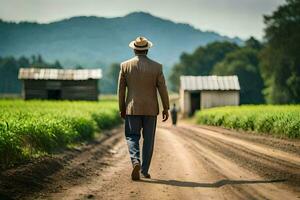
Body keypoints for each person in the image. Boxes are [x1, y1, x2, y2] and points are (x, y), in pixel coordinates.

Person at [118, 36, 170, 181]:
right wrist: (166, 108)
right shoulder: (157, 67)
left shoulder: (125, 66)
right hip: (151, 110)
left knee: (132, 136)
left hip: (132, 109)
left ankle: (136, 161)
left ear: (134, 49)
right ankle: (144, 171)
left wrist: (122, 107)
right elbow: (163, 89)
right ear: (147, 50)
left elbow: (121, 90)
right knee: (149, 140)